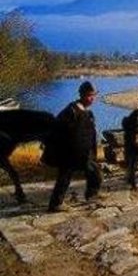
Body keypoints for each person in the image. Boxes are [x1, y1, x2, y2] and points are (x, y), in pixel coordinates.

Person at [47, 81, 102, 212]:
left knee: (95, 173)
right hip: (69, 153)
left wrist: (92, 150)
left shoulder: (88, 113)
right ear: (82, 95)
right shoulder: (71, 110)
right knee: (64, 178)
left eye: (93, 95)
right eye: (89, 95)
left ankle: (91, 195)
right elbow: (57, 129)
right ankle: (55, 204)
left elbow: (90, 133)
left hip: (85, 153)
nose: (92, 98)